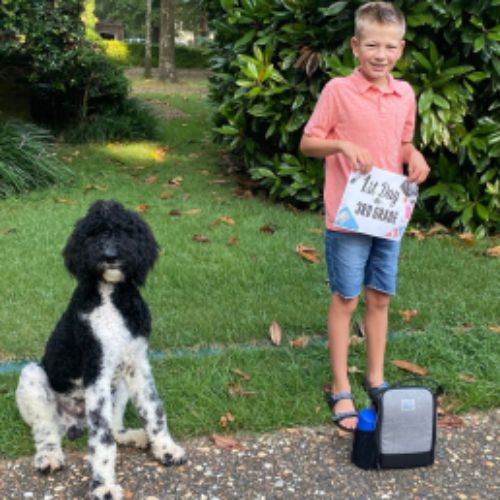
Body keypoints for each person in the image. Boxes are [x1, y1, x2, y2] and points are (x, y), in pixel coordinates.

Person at [299, 1, 430, 431]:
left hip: (388, 215)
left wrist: (415, 156)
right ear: (356, 45)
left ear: (401, 48)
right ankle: (341, 387)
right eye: (372, 44)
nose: (381, 54)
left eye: (390, 46)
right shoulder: (338, 90)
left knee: (380, 298)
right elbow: (309, 141)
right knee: (347, 299)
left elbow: (404, 142)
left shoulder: (404, 94)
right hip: (348, 216)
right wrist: (342, 146)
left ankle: (376, 379)